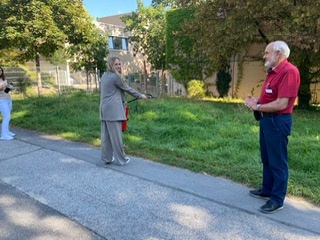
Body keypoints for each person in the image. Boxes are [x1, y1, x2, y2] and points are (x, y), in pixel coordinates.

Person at [244, 41, 300, 214]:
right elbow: (269, 98)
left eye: (267, 53)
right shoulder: (272, 72)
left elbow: (282, 103)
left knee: (277, 162)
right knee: (267, 158)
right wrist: (256, 101)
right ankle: (267, 189)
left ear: (278, 53)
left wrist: (258, 107)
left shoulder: (289, 72)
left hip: (278, 121)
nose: (264, 56)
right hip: (267, 121)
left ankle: (277, 199)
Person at [99, 57, 147, 166]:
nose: (118, 66)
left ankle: (106, 158)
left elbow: (112, 91)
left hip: (104, 109)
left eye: (119, 64)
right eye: (116, 64)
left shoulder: (104, 76)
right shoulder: (116, 77)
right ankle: (121, 160)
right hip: (113, 111)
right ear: (111, 65)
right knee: (116, 137)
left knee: (106, 137)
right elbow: (127, 88)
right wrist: (140, 96)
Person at [0, 67, 15, 140]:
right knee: (7, 117)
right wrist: (2, 86)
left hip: (8, 99)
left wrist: (9, 87)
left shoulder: (4, 79)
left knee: (7, 117)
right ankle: (3, 135)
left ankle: (7, 131)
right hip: (1, 100)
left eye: (1, 70)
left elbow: (6, 91)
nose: (0, 71)